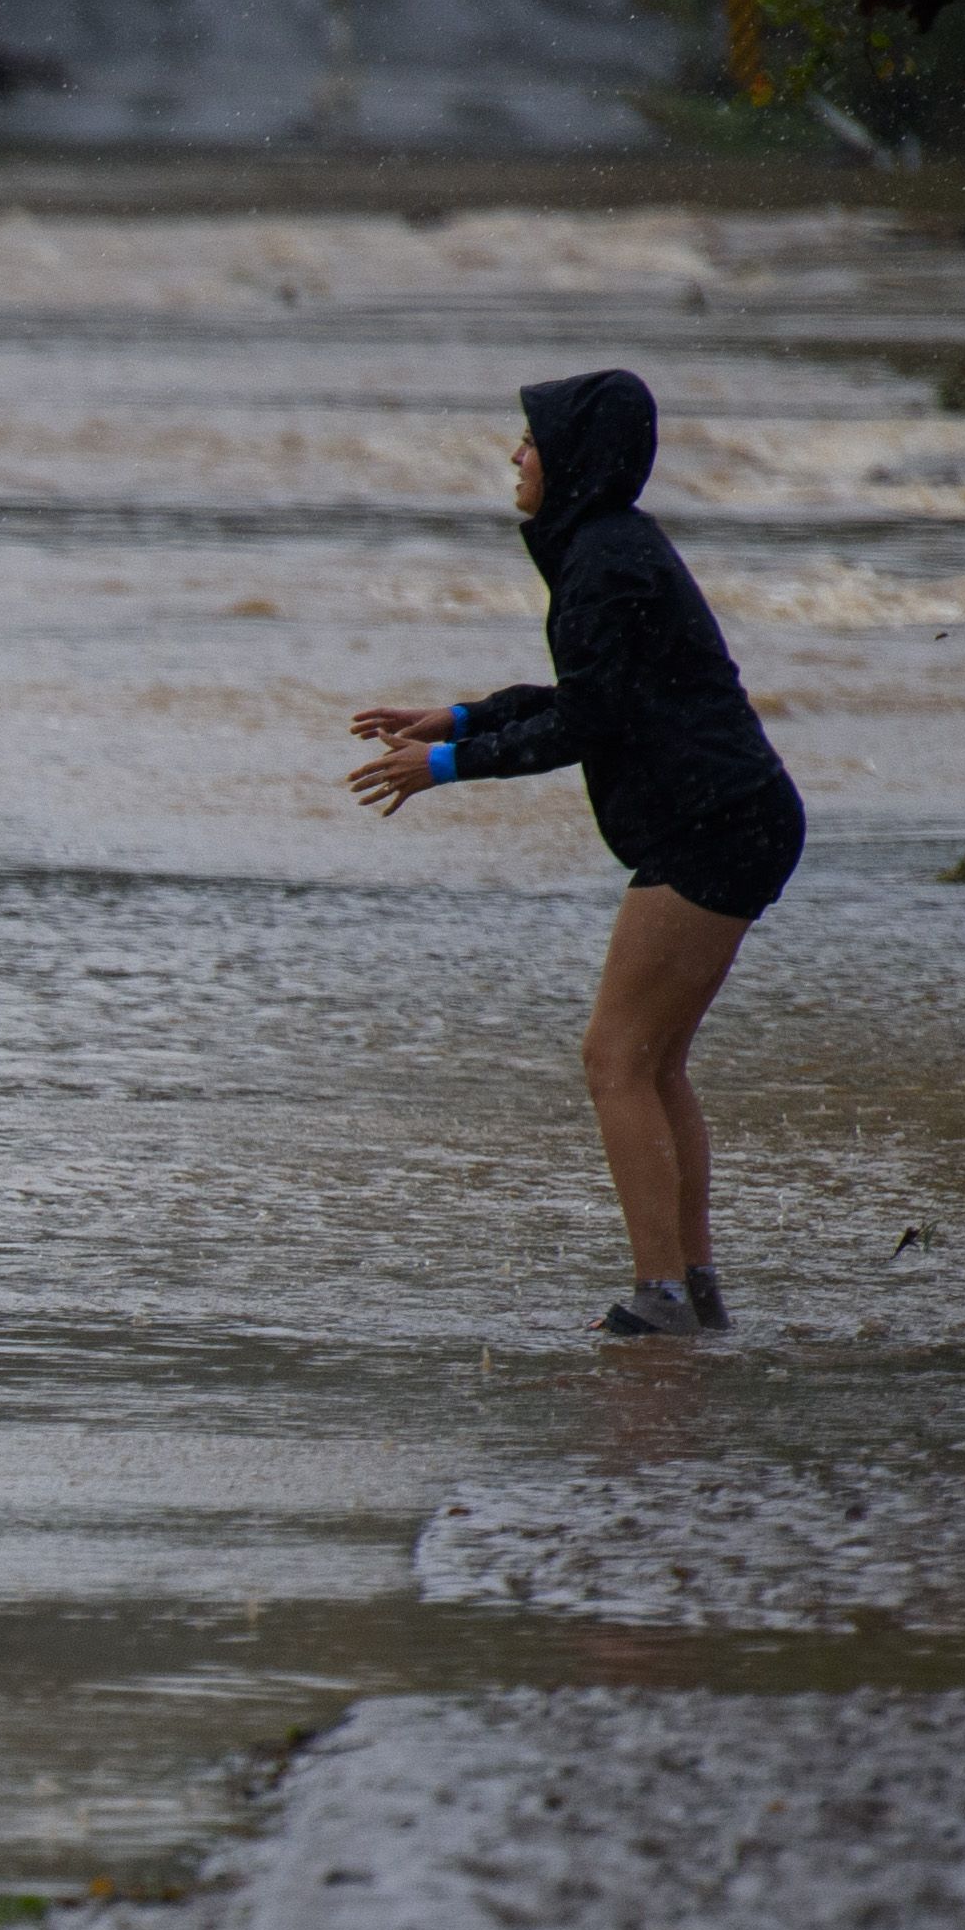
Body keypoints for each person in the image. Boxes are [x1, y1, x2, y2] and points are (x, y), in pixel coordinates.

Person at [343, 367, 809, 1340]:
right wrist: (465, 713)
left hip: (712, 824)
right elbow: (593, 694)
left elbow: (586, 722)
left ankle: (662, 1295)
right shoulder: (608, 548)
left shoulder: (602, 558)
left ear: (575, 457)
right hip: (740, 816)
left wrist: (448, 761)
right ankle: (692, 1283)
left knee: (614, 1058)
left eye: (530, 439)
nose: (515, 456)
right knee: (656, 1060)